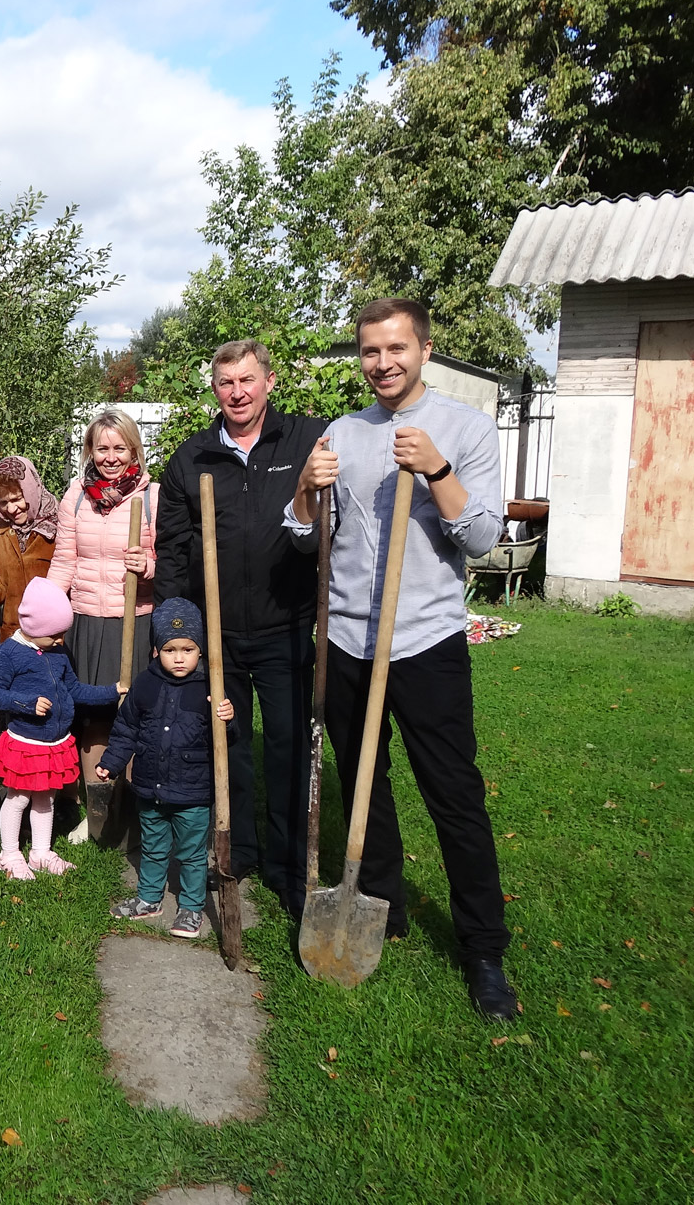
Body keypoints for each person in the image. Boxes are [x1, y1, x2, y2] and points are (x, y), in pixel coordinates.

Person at [287, 297, 516, 1020]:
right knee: (363, 782)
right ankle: (380, 904)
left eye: (394, 348)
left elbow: (480, 536)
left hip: (424, 639)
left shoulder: (466, 428)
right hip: (349, 638)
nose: (381, 363)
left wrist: (438, 468)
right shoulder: (341, 432)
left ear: (422, 348)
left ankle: (482, 949)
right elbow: (298, 536)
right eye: (368, 351)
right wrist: (304, 489)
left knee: (453, 792)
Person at [155, 340, 328, 917]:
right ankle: (238, 850)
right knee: (229, 743)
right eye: (226, 383)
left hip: (286, 625)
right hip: (220, 635)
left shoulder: (304, 440)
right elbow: (174, 549)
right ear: (215, 389)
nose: (238, 392)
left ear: (269, 382)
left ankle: (287, 864)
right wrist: (177, 628)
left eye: (247, 381)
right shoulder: (192, 458)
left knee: (286, 745)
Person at [48, 408, 158, 845]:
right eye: (102, 448)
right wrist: (51, 615)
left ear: (133, 450)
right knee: (91, 717)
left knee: (132, 717)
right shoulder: (76, 496)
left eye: (119, 448)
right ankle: (94, 812)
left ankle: (133, 813)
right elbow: (64, 560)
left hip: (136, 620)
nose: (110, 457)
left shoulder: (152, 498)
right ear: (90, 452)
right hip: (86, 621)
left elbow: (172, 562)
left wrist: (148, 565)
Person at [100, 598, 235, 939]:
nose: (178, 657)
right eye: (169, 649)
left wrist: (227, 721)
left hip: (193, 792)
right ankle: (149, 899)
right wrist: (112, 763)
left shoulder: (209, 689)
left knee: (191, 854)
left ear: (200, 651)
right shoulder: (145, 685)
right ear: (155, 650)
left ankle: (191, 906)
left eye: (188, 649)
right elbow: (127, 728)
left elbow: (228, 741)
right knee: (153, 847)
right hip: (150, 787)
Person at [0, 578, 122, 879]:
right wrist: (26, 703)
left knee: (46, 797)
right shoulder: (8, 654)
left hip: (54, 742)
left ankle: (41, 852)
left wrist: (113, 692)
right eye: (55, 635)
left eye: (62, 634)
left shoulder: (58, 653)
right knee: (18, 797)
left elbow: (74, 689)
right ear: (34, 628)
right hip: (26, 742)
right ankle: (8, 854)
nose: (61, 641)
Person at [0, 456, 59, 641]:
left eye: (17, 499)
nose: (11, 509)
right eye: (2, 502)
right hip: (15, 636)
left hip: (54, 635)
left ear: (32, 491)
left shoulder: (62, 525)